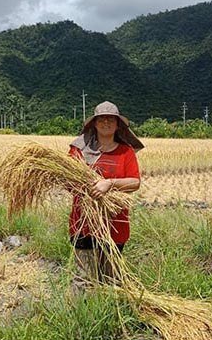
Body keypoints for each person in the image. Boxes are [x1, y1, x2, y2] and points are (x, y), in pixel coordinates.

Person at [68, 101, 144, 284]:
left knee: (111, 281)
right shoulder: (78, 150)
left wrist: (109, 184)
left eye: (111, 119)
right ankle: (82, 312)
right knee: (83, 280)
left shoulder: (125, 152)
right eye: (102, 119)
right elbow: (68, 182)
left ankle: (108, 311)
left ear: (118, 124)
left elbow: (135, 182)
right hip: (83, 223)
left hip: (115, 224)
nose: (106, 122)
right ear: (94, 123)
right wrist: (87, 186)